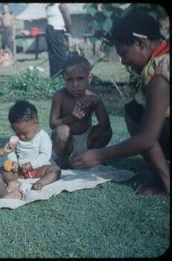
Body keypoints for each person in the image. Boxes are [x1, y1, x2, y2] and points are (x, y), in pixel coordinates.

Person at [72, 12, 170, 196]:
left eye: (123, 53)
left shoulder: (160, 74)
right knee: (134, 110)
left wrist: (98, 154)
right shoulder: (161, 58)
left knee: (137, 118)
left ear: (140, 43)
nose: (123, 61)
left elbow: (147, 138)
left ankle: (168, 185)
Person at [49, 55, 112, 169]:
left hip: (87, 140)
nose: (75, 85)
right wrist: (71, 118)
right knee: (62, 130)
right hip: (66, 143)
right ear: (64, 78)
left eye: (80, 79)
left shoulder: (92, 98)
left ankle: (91, 156)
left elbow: (105, 126)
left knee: (106, 132)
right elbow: (53, 124)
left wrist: (99, 103)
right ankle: (64, 162)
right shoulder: (60, 96)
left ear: (89, 78)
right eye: (70, 80)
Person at [4, 100, 61, 190]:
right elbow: (11, 152)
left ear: (36, 123)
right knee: (4, 171)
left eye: (25, 133)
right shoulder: (15, 138)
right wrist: (14, 162)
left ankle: (41, 182)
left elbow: (45, 155)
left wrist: (32, 165)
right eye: (17, 133)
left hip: (39, 169)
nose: (21, 136)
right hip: (20, 171)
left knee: (55, 170)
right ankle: (14, 182)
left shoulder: (42, 136)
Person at [45, 3, 72, 78]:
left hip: (58, 31)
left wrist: (67, 34)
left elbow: (68, 21)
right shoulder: (47, 7)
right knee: (52, 56)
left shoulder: (61, 6)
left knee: (61, 56)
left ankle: (63, 76)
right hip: (49, 31)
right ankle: (54, 77)